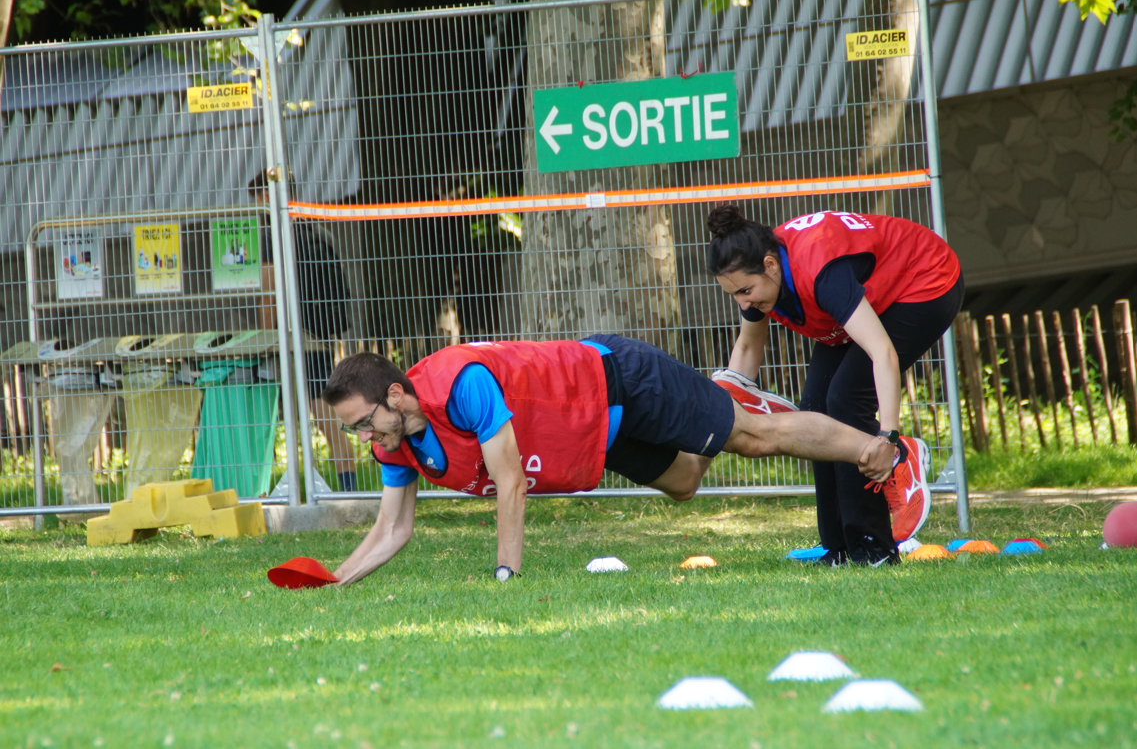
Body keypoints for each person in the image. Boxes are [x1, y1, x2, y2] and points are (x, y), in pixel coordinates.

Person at [321, 335, 917, 586]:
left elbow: (510, 484)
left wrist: (506, 576)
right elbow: (392, 528)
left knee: (752, 439)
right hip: (592, 428)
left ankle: (878, 450)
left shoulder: (461, 383)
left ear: (395, 397)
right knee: (684, 481)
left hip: (618, 379)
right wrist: (335, 582)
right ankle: (721, 393)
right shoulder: (393, 439)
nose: (363, 438)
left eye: (364, 421)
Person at [706, 205, 964, 566]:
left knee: (845, 399)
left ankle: (876, 543)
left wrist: (887, 437)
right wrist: (728, 413)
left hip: (925, 279)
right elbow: (748, 348)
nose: (744, 303)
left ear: (770, 264)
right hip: (873, 292)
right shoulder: (753, 275)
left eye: (746, 291)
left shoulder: (821, 272)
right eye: (734, 295)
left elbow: (882, 354)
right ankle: (839, 549)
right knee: (814, 408)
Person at [248, 170, 358, 492]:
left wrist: (266, 341)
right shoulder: (317, 232)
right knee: (327, 421)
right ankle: (347, 488)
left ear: (269, 197)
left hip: (297, 341)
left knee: (319, 418)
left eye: (258, 201)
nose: (258, 209)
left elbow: (269, 296)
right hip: (321, 336)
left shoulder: (274, 236)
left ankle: (318, 490)